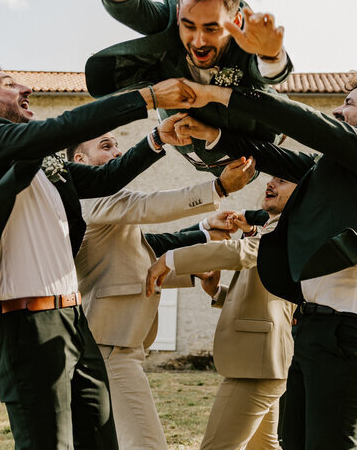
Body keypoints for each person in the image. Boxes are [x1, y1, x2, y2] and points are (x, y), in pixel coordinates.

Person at [0, 60, 198, 450]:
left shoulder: (38, 159)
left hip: (74, 322)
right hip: (25, 323)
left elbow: (105, 179)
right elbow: (59, 130)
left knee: (101, 436)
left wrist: (156, 139)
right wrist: (147, 97)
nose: (25, 88)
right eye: (8, 84)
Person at [168, 74, 357, 450]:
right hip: (310, 327)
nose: (337, 110)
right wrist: (213, 134)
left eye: (349, 104)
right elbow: (272, 155)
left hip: (350, 330)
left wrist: (224, 96)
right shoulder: (331, 169)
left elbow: (309, 125)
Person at [68, 131, 255, 449]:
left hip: (111, 345)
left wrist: (203, 236)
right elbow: (149, 206)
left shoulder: (102, 207)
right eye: (105, 146)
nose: (116, 153)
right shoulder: (91, 197)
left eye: (117, 145)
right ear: (79, 160)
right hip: (109, 347)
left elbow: (140, 255)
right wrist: (218, 187)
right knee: (146, 443)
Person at [86, 0, 293, 175]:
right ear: (178, 17)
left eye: (211, 28)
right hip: (193, 146)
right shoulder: (170, 18)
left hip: (250, 144)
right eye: (189, 26)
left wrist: (270, 55)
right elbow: (134, 10)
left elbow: (265, 73)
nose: (198, 41)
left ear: (235, 22)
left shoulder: (247, 39)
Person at [147, 177, 296, 450]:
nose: (271, 183)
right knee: (264, 448)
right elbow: (268, 298)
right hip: (263, 362)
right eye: (272, 177)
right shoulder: (272, 230)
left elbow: (243, 253)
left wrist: (171, 258)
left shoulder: (292, 227)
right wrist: (217, 292)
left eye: (283, 180)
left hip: (257, 364)